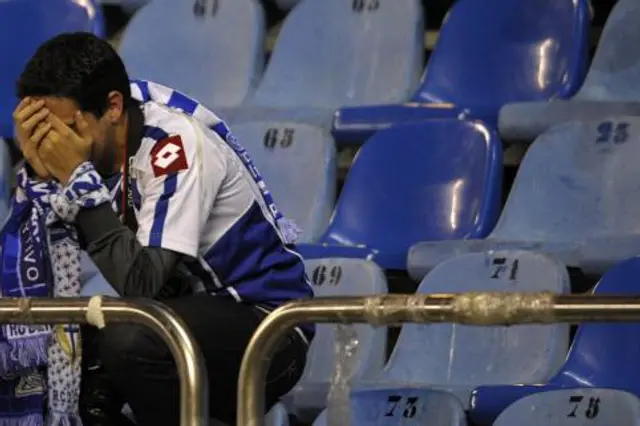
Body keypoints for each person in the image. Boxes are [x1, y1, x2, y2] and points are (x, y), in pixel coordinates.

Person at [12, 32, 314, 425]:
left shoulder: (176, 144)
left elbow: (141, 283)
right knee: (50, 347)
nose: (58, 143)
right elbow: (35, 271)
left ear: (113, 107)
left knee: (133, 338)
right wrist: (40, 174)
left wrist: (74, 179)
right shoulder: (97, 141)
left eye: (67, 128)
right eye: (45, 131)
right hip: (183, 320)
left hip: (267, 331)